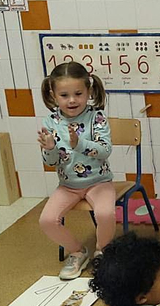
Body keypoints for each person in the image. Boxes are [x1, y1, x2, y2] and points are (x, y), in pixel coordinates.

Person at [36, 61, 119, 281]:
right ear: (53, 95)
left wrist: (79, 144)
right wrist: (50, 148)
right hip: (68, 185)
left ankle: (103, 251)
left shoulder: (96, 117)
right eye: (64, 95)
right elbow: (51, 162)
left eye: (78, 93)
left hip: (99, 182)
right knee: (47, 220)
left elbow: (105, 151)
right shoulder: (50, 121)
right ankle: (77, 252)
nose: (72, 100)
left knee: (105, 214)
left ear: (89, 92)